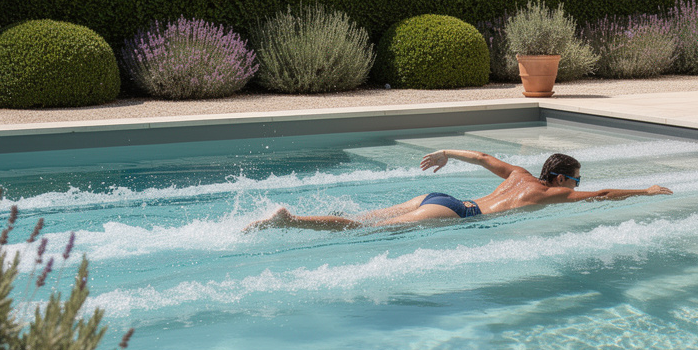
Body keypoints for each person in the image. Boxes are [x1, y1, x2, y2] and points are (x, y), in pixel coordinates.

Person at [246, 150, 672, 231]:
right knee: (362, 229)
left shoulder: (519, 175)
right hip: (459, 214)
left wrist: (447, 152)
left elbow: (484, 157)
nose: (579, 186)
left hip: (439, 198)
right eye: (576, 180)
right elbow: (603, 196)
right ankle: (291, 221)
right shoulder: (550, 194)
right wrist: (647, 191)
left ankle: (291, 218)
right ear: (561, 179)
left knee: (364, 219)